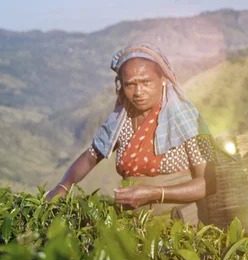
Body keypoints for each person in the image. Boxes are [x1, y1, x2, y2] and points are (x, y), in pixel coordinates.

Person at [46, 43, 215, 221]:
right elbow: (90, 157)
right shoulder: (122, 119)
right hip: (133, 226)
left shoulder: (187, 119)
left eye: (146, 82)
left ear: (163, 79)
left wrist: (155, 193)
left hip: (179, 226)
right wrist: (64, 185)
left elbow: (209, 183)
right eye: (130, 85)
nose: (138, 92)